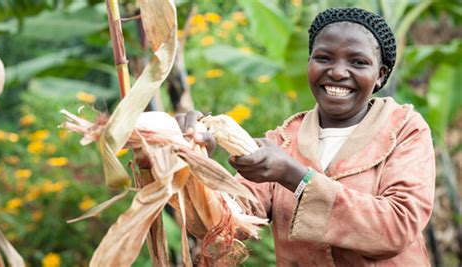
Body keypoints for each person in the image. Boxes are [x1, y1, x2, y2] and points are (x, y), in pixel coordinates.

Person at [176, 7, 435, 266]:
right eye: (324, 58)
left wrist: (294, 177)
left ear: (380, 75)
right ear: (309, 63)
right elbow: (225, 223)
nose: (337, 72)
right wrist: (197, 162)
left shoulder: (404, 130)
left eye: (357, 62)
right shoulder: (283, 140)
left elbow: (397, 227)